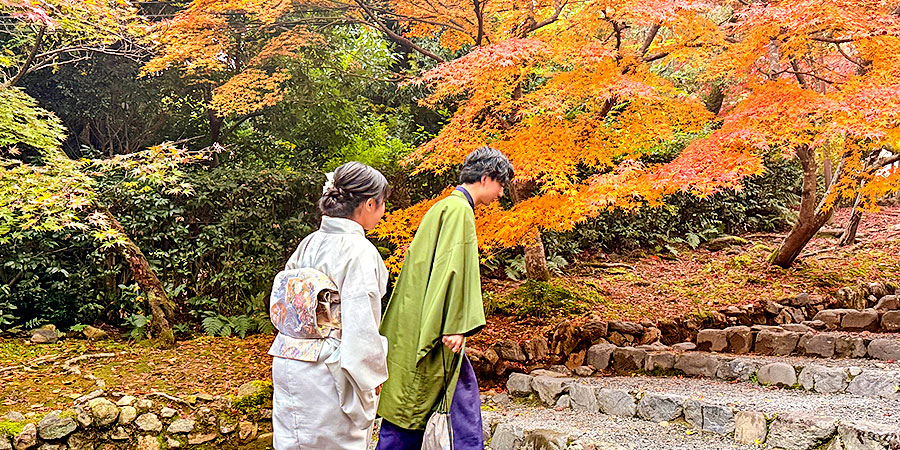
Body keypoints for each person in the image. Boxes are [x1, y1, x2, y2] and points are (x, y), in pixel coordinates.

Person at [377, 146, 514, 450]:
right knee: (415, 411)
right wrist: (454, 325)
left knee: (439, 403)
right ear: (486, 178)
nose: (501, 193)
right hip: (435, 327)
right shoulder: (459, 211)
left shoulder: (443, 207)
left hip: (418, 317)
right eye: (501, 184)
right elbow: (449, 270)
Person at [269, 162, 391, 450]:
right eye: (382, 203)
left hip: (289, 360)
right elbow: (362, 323)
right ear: (369, 204)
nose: (383, 211)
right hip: (329, 368)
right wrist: (369, 377)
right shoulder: (359, 251)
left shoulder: (309, 243)